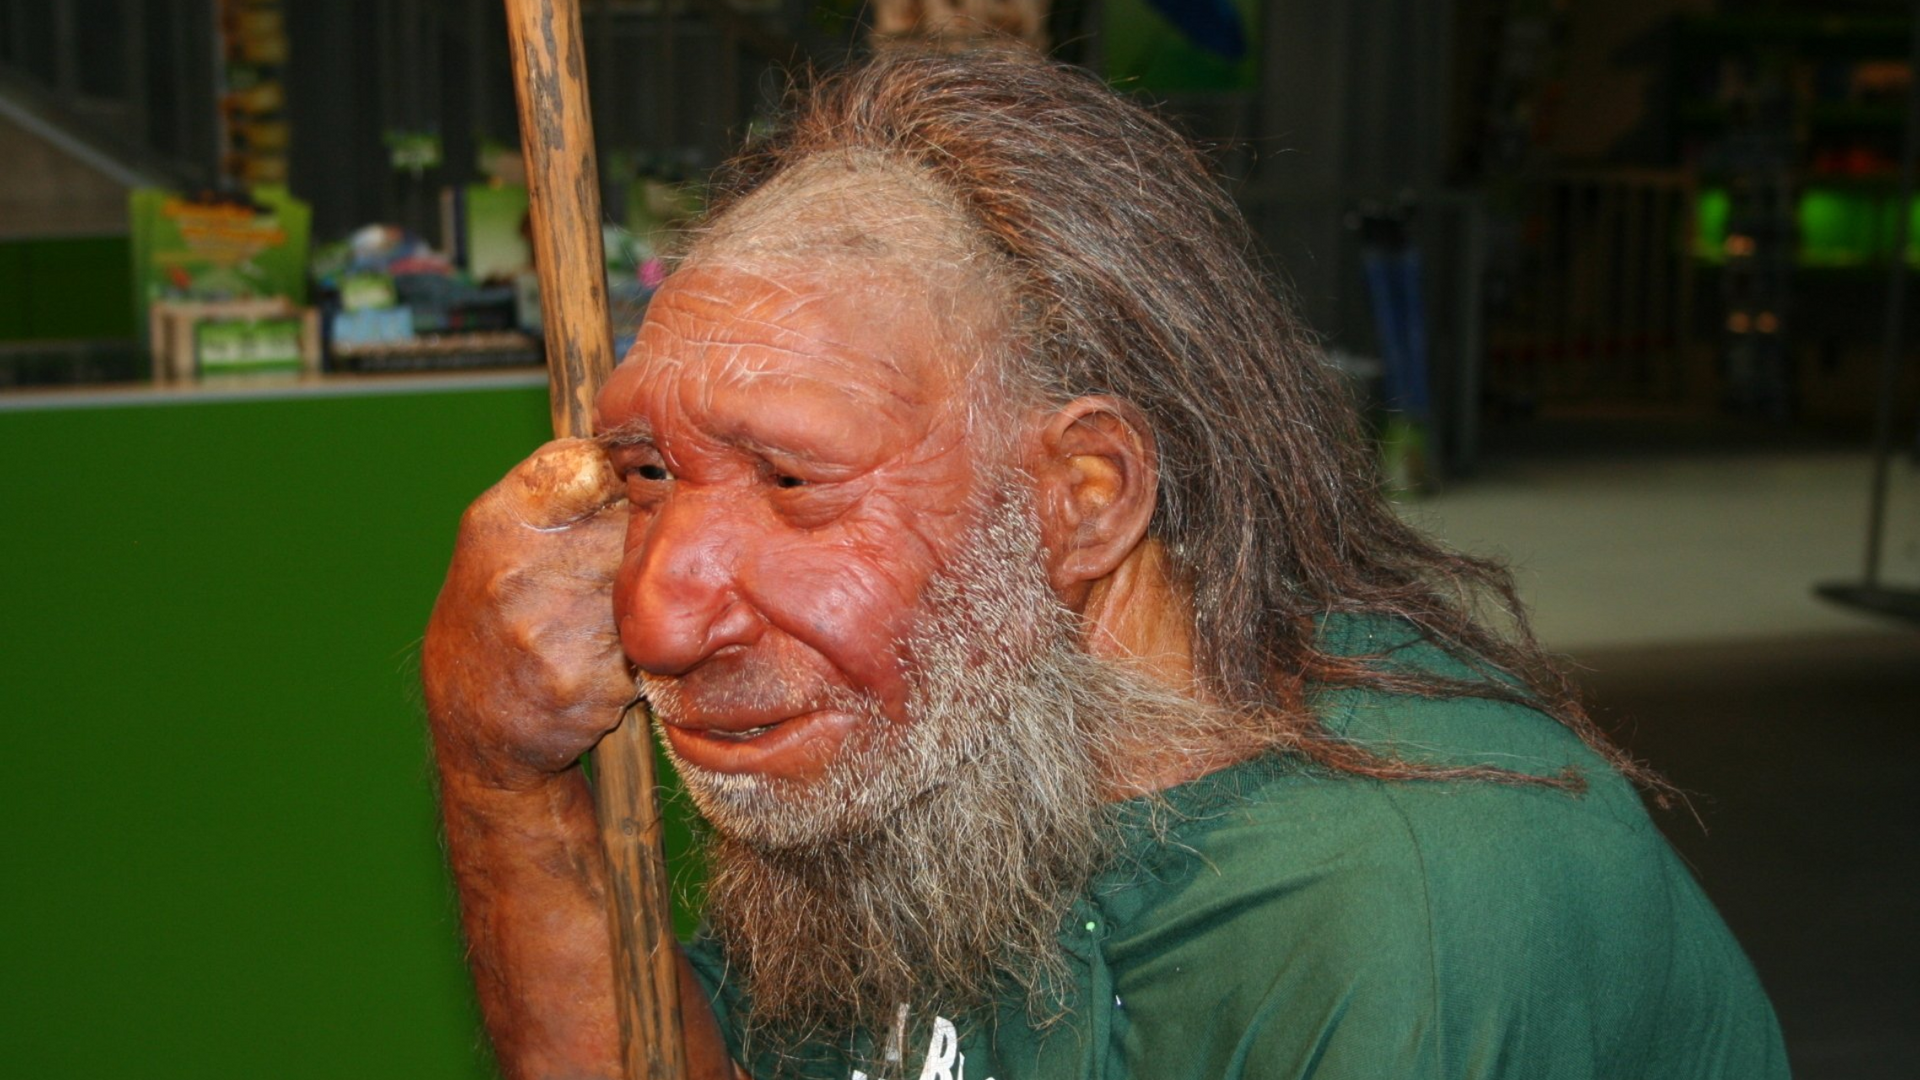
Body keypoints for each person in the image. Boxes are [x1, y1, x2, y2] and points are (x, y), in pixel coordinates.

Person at [422, 48, 1787, 1080]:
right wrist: (501, 776)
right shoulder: (933, 737)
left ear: (1082, 500)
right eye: (650, 475)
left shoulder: (1400, 909)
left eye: (793, 484)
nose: (659, 616)